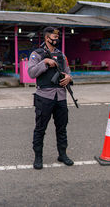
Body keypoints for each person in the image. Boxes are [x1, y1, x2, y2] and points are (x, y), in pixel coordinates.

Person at [28, 27, 74, 170]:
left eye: (57, 36)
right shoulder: (37, 54)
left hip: (60, 97)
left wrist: (68, 78)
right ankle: (38, 157)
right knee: (40, 129)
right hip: (44, 97)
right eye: (54, 36)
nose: (56, 39)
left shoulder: (61, 55)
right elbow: (31, 73)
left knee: (62, 128)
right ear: (47, 38)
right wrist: (45, 62)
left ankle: (62, 154)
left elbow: (68, 72)